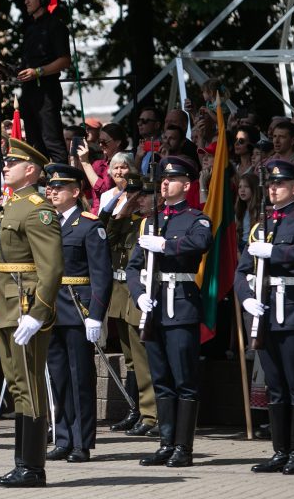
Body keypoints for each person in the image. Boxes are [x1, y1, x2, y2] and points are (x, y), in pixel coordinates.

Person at [0, 139, 63, 488]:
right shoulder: (13, 205)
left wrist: (39, 313)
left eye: (13, 162)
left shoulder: (37, 208)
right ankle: (22, 463)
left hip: (25, 305)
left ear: (30, 170)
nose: (6, 166)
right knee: (18, 383)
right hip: (6, 302)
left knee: (29, 384)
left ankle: (32, 467)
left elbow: (50, 268)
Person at [126, 156, 212, 468]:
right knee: (160, 378)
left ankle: (183, 448)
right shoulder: (150, 221)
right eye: (163, 178)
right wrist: (138, 296)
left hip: (181, 306)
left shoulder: (196, 219)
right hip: (154, 306)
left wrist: (165, 245)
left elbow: (201, 242)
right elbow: (133, 267)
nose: (165, 182)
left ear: (187, 186)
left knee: (183, 379)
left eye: (172, 179)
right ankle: (165, 442)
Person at [236, 160, 294, 475]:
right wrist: (246, 299)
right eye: (270, 184)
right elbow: (242, 271)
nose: (273, 189)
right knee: (274, 385)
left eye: (280, 184)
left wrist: (276, 254)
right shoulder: (261, 225)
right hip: (265, 313)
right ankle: (280, 451)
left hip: (293, 312)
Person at [43, 164, 112, 463]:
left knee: (79, 378)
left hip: (77, 309)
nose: (53, 191)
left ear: (75, 192)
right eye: (50, 187)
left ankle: (81, 442)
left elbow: (101, 274)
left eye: (60, 187)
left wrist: (96, 314)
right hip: (50, 310)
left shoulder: (89, 225)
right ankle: (63, 437)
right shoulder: (46, 224)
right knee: (57, 377)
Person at [101, 174, 157, 437]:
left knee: (142, 358)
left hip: (138, 293)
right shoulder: (126, 221)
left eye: (144, 195)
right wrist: (122, 210)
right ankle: (135, 410)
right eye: (135, 194)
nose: (139, 199)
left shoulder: (152, 224)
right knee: (130, 360)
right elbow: (105, 239)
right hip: (120, 295)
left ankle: (150, 415)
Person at [16, 0, 71, 164]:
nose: (26, 1)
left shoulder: (56, 26)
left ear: (44, 0)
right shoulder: (30, 28)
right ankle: (41, 186)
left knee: (52, 141)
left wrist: (38, 72)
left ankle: (64, 183)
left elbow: (65, 60)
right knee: (34, 145)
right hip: (28, 92)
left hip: (47, 92)